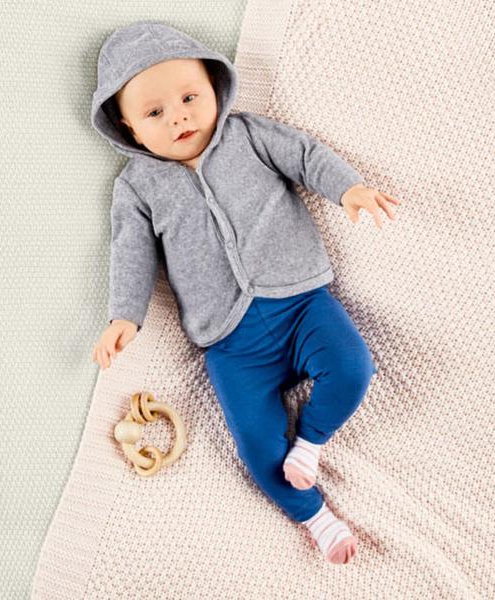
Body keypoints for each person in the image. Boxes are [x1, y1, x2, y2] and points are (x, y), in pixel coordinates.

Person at [90, 21, 399, 564]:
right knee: (256, 445)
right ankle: (317, 518)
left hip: (302, 303)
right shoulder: (137, 187)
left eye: (189, 98)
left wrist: (347, 189)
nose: (179, 117)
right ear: (128, 128)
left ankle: (311, 443)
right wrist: (124, 317)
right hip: (231, 343)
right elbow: (131, 253)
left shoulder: (249, 135)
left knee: (354, 368)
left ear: (214, 87)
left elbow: (306, 156)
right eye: (155, 113)